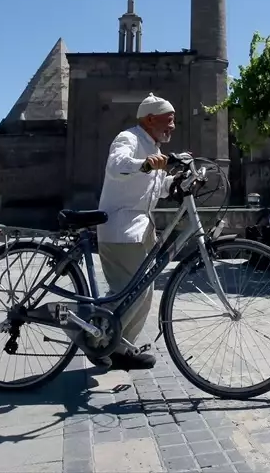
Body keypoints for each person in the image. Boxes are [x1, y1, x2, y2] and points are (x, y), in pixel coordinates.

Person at [95, 93, 176, 370]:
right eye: (169, 119)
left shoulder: (152, 146)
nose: (173, 126)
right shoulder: (128, 138)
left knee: (145, 291)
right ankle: (96, 336)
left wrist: (182, 179)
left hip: (139, 230)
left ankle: (120, 346)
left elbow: (159, 187)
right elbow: (117, 165)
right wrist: (144, 163)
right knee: (131, 292)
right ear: (150, 119)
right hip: (121, 229)